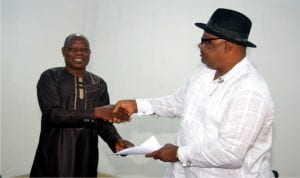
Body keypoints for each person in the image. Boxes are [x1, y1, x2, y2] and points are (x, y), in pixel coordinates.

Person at [108, 8, 275, 177]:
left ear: (227, 45)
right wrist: (137, 105)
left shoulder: (250, 91)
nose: (200, 45)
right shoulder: (205, 71)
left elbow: (230, 152)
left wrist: (179, 153)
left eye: (206, 41)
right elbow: (180, 102)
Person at [30, 33, 134, 177]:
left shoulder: (99, 83)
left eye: (84, 50)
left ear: (89, 53)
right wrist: (95, 112)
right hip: (56, 153)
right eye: (73, 49)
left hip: (86, 153)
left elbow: (104, 122)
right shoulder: (50, 77)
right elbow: (52, 115)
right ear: (63, 51)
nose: (79, 53)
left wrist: (115, 140)